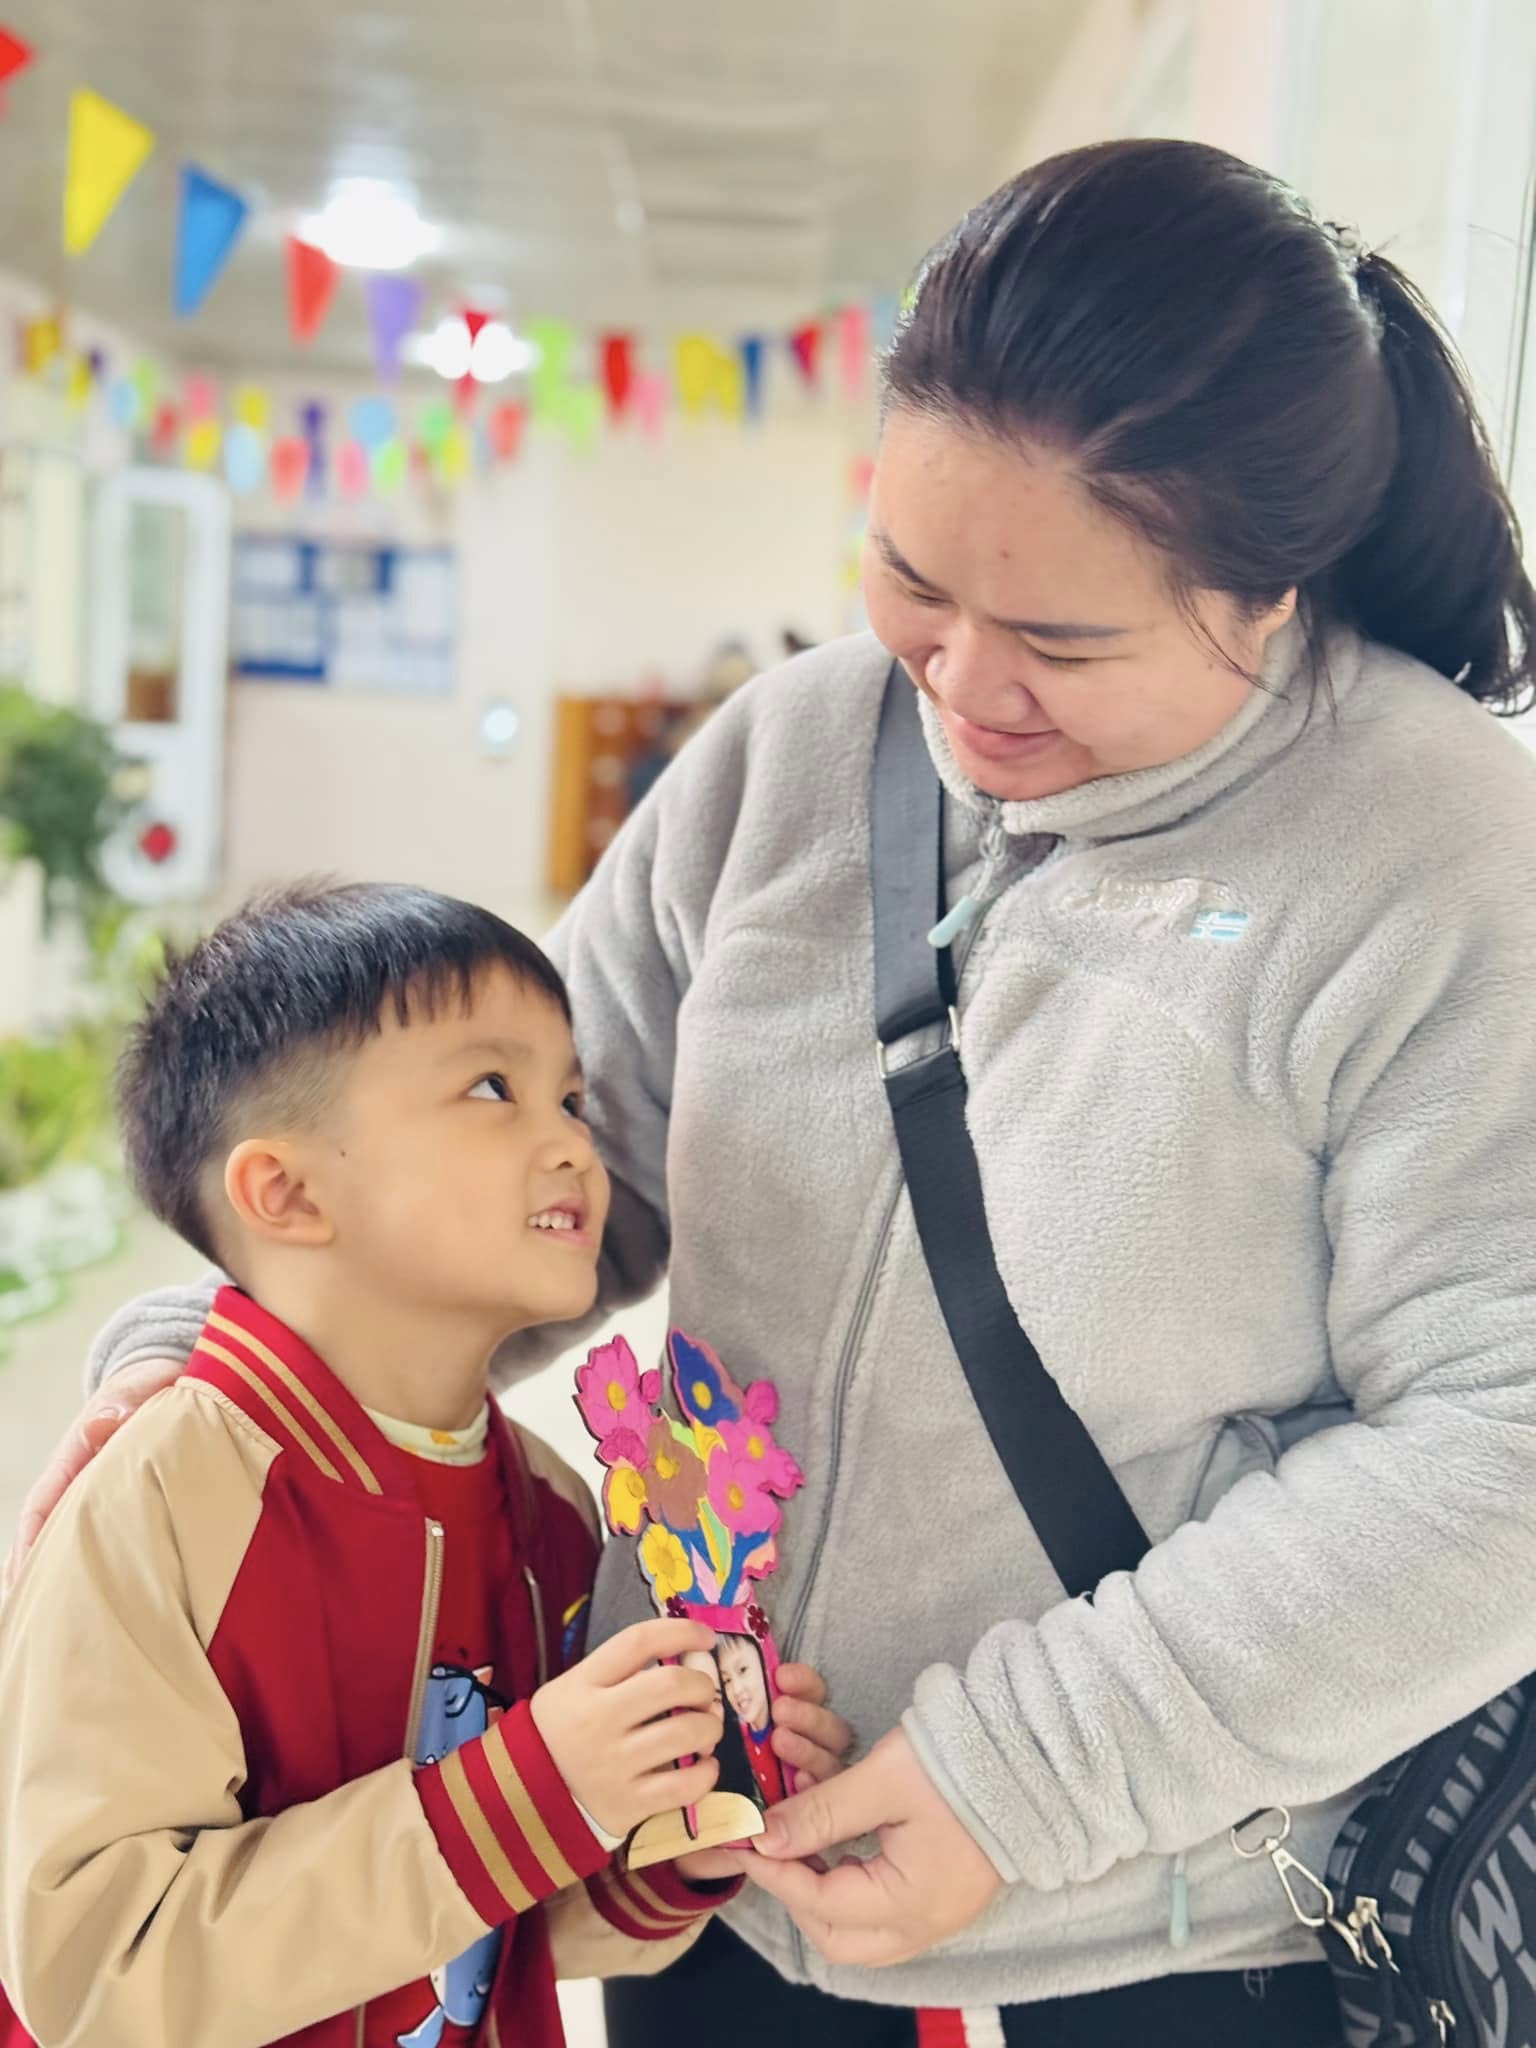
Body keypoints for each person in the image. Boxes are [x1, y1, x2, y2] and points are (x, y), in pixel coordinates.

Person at [18, 134, 1536, 2047]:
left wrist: (1016, 1778)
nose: (959, 685)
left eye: (1061, 641)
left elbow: (1499, 1444)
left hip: (1157, 1925)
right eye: (909, 581)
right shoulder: (800, 752)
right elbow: (549, 1161)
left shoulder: (1436, 857)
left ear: (1272, 587)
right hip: (709, 1862)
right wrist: (229, 1367)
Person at [0, 883, 850, 2048]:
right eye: (492, 1087)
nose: (573, 1142)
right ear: (288, 1191)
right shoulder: (169, 1492)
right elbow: (95, 1970)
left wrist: (675, 1827)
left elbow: (494, 1925)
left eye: (572, 1098)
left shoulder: (552, 1504)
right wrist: (530, 1789)